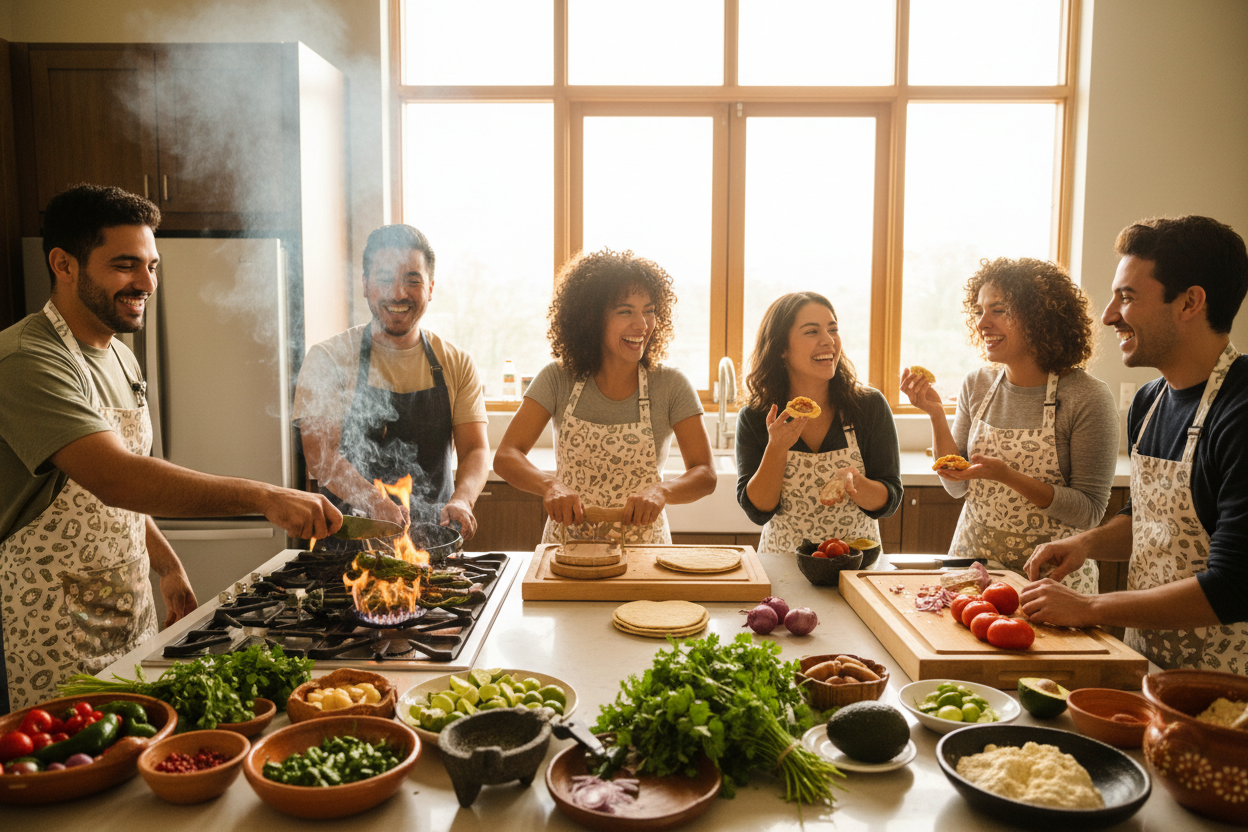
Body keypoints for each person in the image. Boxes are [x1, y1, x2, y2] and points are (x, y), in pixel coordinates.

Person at [0, 184, 341, 713]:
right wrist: (266, 496)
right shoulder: (28, 360)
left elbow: (119, 491)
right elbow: (116, 478)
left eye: (152, 266)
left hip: (126, 604)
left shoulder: (120, 357)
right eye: (125, 265)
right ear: (63, 264)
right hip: (50, 621)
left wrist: (166, 564)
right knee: (70, 775)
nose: (146, 283)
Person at [1022, 216, 1248, 673]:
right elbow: (1154, 521)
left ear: (1190, 302)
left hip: (1227, 691)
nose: (1107, 315)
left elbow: (1235, 585)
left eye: (1126, 297)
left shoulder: (1241, 412)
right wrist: (1087, 542)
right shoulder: (1149, 402)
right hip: (1149, 662)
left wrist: (1089, 609)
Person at [900, 258, 1119, 592]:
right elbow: (957, 486)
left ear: (1040, 317)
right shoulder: (977, 384)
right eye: (979, 311)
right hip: (973, 570)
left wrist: (1006, 476)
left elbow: (1088, 511)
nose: (982, 323)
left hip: (1051, 579)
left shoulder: (1087, 396)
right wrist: (934, 414)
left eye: (998, 310)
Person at [493, 249, 715, 544]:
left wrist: (662, 491)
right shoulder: (558, 378)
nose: (642, 325)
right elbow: (506, 456)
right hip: (567, 549)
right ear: (592, 319)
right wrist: (550, 486)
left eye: (648, 310)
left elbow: (705, 473)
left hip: (644, 552)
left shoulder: (671, 385)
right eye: (626, 311)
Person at [293, 224, 490, 539]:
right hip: (349, 557)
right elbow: (321, 455)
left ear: (431, 287)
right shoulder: (328, 359)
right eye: (385, 279)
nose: (398, 293)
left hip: (433, 548)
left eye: (412, 280)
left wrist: (463, 499)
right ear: (365, 284)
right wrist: (373, 501)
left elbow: (475, 450)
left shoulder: (456, 362)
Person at [736, 292, 902, 555]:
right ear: (782, 348)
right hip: (783, 565)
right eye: (812, 332)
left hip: (855, 567)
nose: (829, 341)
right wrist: (776, 448)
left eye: (833, 329)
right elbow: (758, 511)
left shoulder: (868, 406)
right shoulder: (757, 416)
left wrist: (856, 483)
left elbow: (890, 500)